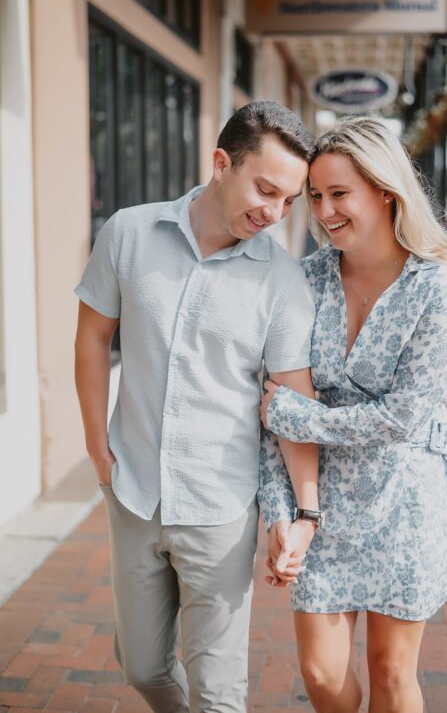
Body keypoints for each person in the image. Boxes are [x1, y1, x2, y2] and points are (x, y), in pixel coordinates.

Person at [74, 101, 321, 712]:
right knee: (142, 666)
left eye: (289, 201)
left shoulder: (283, 282)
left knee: (219, 694)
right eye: (266, 189)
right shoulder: (129, 234)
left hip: (220, 508)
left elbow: (294, 404)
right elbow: (92, 337)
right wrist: (95, 449)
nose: (275, 212)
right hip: (132, 490)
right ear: (220, 164)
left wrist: (304, 512)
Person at [258, 116, 447, 713]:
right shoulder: (302, 281)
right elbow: (271, 409)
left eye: (340, 193)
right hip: (322, 505)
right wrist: (280, 513)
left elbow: (402, 417)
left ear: (386, 191)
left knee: (390, 674)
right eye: (315, 196)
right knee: (321, 674)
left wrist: (298, 418)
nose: (324, 210)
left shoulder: (438, 286)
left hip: (405, 500)